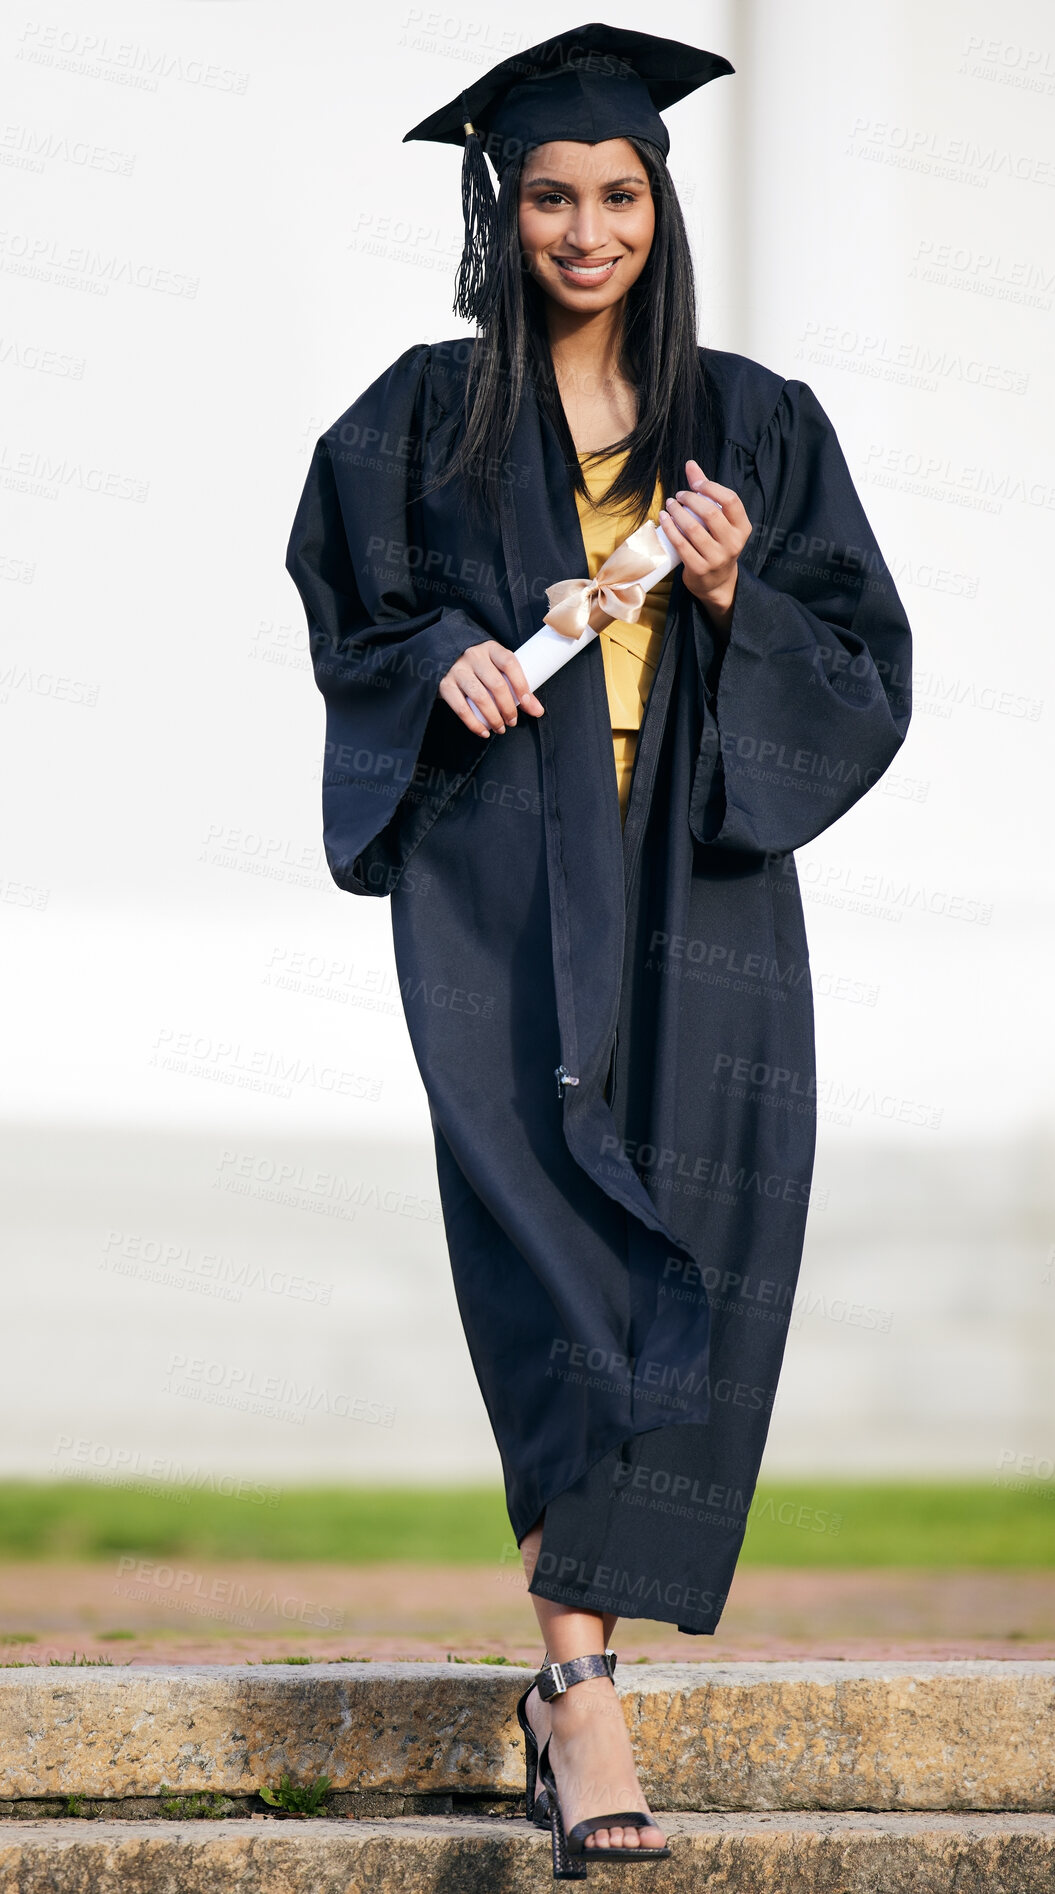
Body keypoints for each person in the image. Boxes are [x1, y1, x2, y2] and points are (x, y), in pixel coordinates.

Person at [285, 23, 912, 1874]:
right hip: (499, 881)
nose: (584, 228)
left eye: (617, 194)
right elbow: (355, 625)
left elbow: (862, 662)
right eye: (549, 195)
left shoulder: (758, 424)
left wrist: (727, 591)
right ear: (504, 209)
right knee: (552, 1249)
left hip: (696, 882)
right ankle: (580, 1688)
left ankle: (580, 1666)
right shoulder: (417, 418)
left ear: (659, 203)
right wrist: (440, 666)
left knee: (696, 1245)